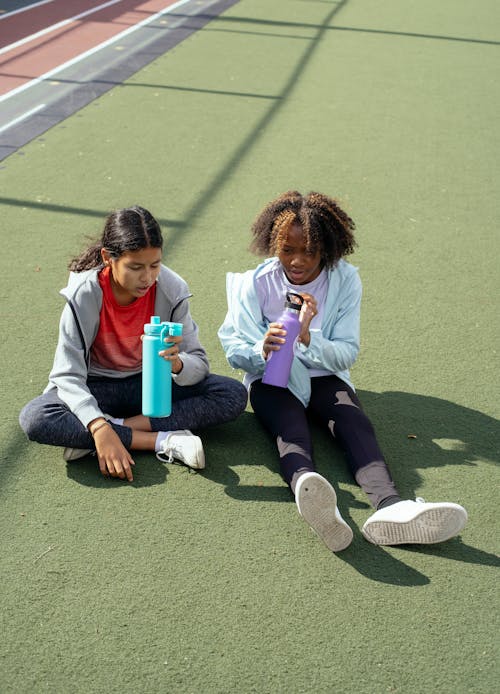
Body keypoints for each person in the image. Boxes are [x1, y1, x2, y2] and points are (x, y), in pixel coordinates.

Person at [218, 191, 468, 552]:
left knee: (353, 422)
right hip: (271, 377)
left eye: (310, 251)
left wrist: (307, 337)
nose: (297, 261)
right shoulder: (254, 283)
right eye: (287, 249)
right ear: (274, 244)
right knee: (289, 427)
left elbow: (346, 353)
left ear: (328, 248)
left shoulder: (345, 280)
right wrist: (263, 348)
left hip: (324, 376)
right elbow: (234, 350)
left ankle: (390, 506)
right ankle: (311, 492)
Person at [20, 205, 247, 482]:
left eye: (155, 265)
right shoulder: (84, 294)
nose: (148, 277)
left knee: (231, 394)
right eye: (135, 267)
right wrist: (97, 425)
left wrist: (177, 364)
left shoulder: (171, 289)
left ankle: (112, 431)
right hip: (97, 387)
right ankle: (161, 441)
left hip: (152, 387)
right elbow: (67, 375)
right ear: (108, 258)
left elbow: (199, 364)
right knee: (36, 417)